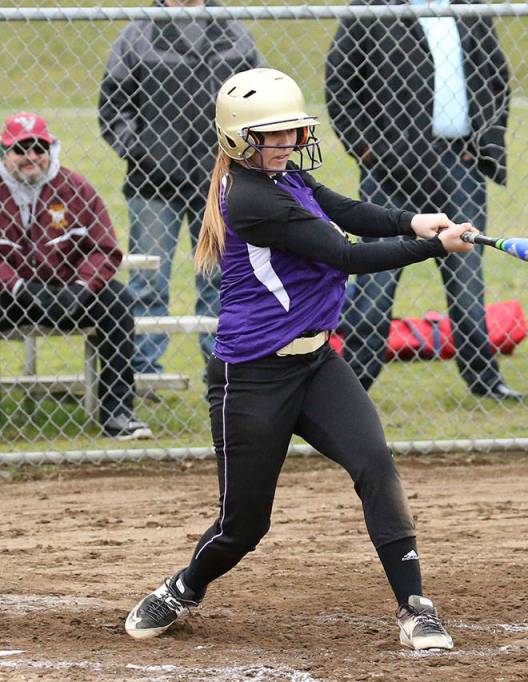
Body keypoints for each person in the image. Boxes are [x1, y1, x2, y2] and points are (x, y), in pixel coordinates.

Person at [123, 68, 463, 650]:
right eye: (270, 135)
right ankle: (184, 586)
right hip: (251, 378)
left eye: (290, 132)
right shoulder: (254, 198)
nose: (285, 144)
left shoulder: (285, 178)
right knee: (244, 527)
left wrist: (413, 221)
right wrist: (434, 246)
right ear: (237, 140)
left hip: (315, 364)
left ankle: (414, 606)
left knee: (375, 466)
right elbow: (345, 254)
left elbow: (346, 210)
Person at [324, 0, 521, 401]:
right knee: (376, 283)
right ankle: (353, 383)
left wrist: (483, 144)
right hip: (390, 171)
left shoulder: (470, 9)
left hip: (459, 166)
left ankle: (484, 381)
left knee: (467, 282)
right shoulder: (371, 9)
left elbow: (497, 80)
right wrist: (368, 151)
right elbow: (340, 83)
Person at [98, 0, 263, 381]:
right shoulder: (139, 32)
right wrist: (140, 152)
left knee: (224, 279)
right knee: (148, 281)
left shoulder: (234, 31)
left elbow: (260, 99)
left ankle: (224, 368)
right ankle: (142, 373)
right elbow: (113, 103)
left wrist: (242, 157)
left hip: (222, 183)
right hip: (152, 183)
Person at [0, 112, 152, 441]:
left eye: (39, 147)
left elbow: (105, 247)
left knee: (117, 302)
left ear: (51, 148)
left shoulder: (75, 188)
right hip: (11, 296)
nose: (31, 157)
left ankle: (117, 413)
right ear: (5, 153)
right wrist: (18, 286)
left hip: (69, 294)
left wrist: (82, 287)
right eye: (20, 148)